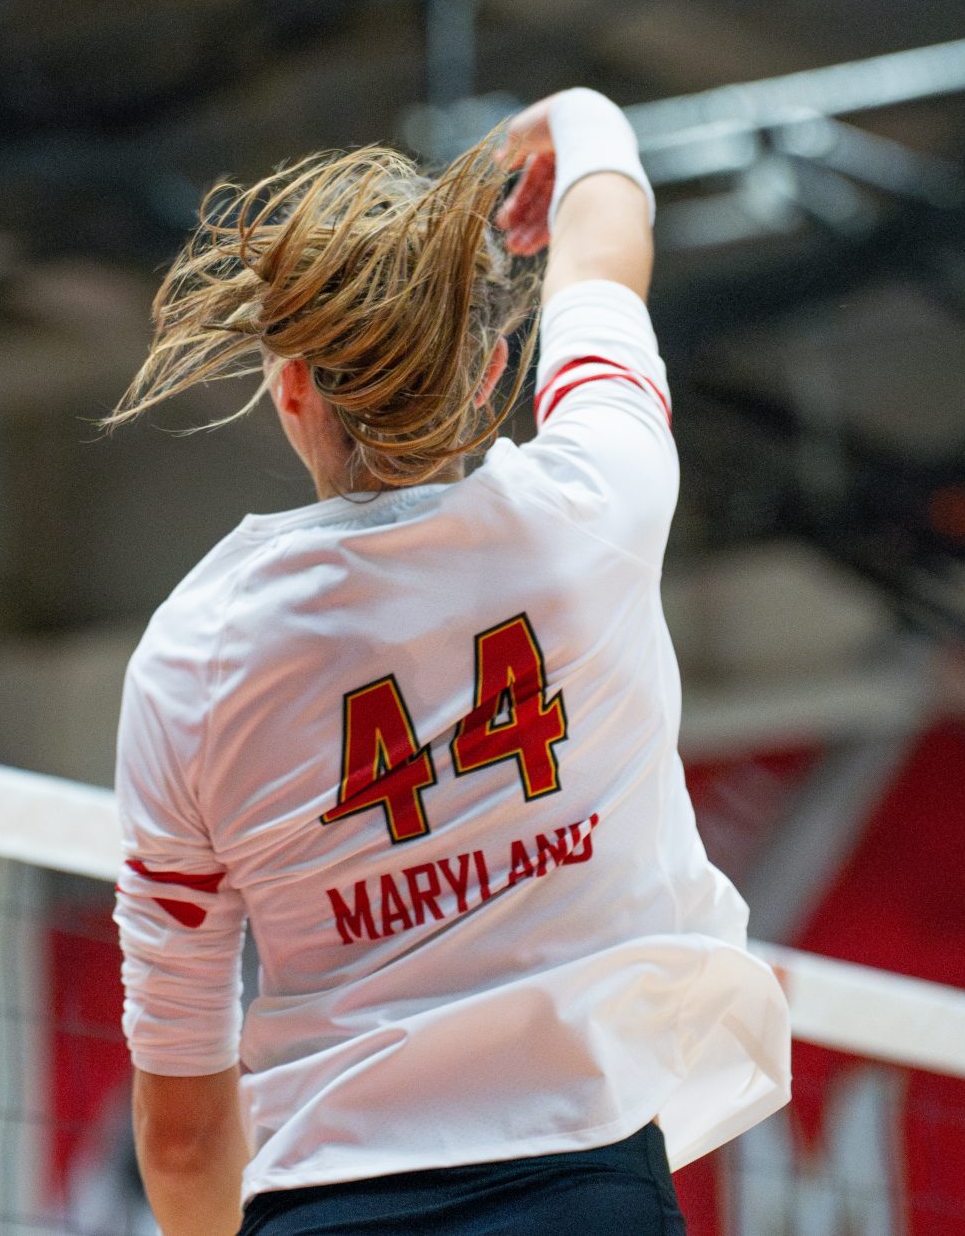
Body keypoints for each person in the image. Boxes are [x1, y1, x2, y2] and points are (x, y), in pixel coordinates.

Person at [106, 89, 792, 1236]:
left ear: (288, 393)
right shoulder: (597, 500)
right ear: (490, 374)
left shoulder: (194, 658)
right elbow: (608, 251)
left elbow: (179, 1131)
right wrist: (575, 120)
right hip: (586, 1201)